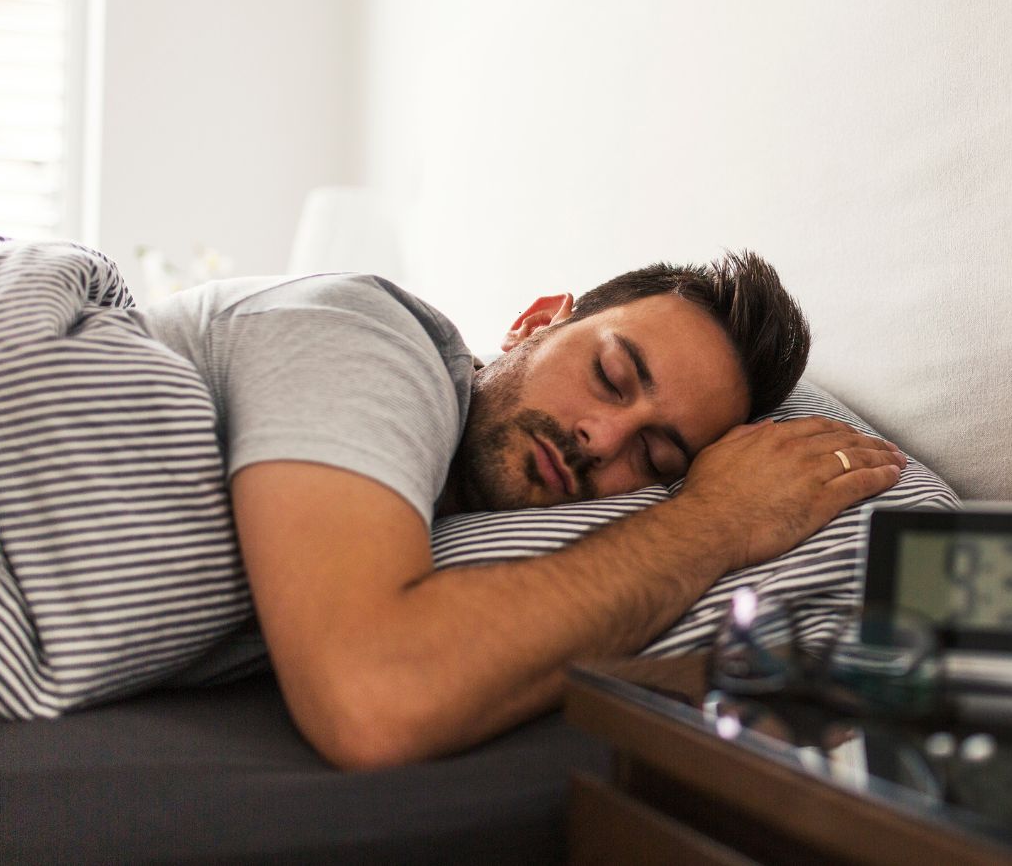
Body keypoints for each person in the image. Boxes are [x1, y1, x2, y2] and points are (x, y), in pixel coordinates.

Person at [139, 251, 905, 769]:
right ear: (536, 322)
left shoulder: (412, 514)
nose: (601, 439)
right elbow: (376, 692)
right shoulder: (376, 337)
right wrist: (717, 518)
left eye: (657, 459)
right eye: (610, 374)